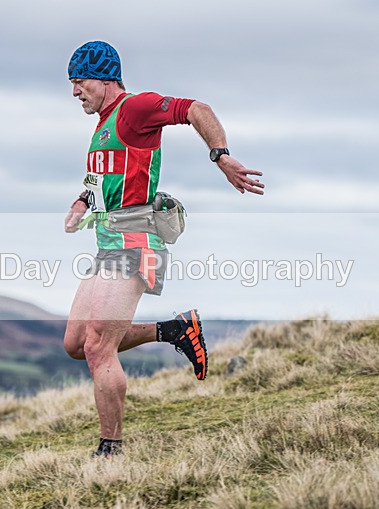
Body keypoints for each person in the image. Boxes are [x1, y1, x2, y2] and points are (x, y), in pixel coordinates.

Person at [62, 41, 264, 458]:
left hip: (135, 242)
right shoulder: (103, 123)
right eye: (71, 84)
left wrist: (221, 156)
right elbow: (98, 178)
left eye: (79, 81)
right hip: (108, 243)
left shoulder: (135, 109)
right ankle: (174, 330)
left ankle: (110, 452)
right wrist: (81, 202)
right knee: (76, 343)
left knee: (99, 347)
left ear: (102, 78)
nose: (75, 91)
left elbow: (195, 109)